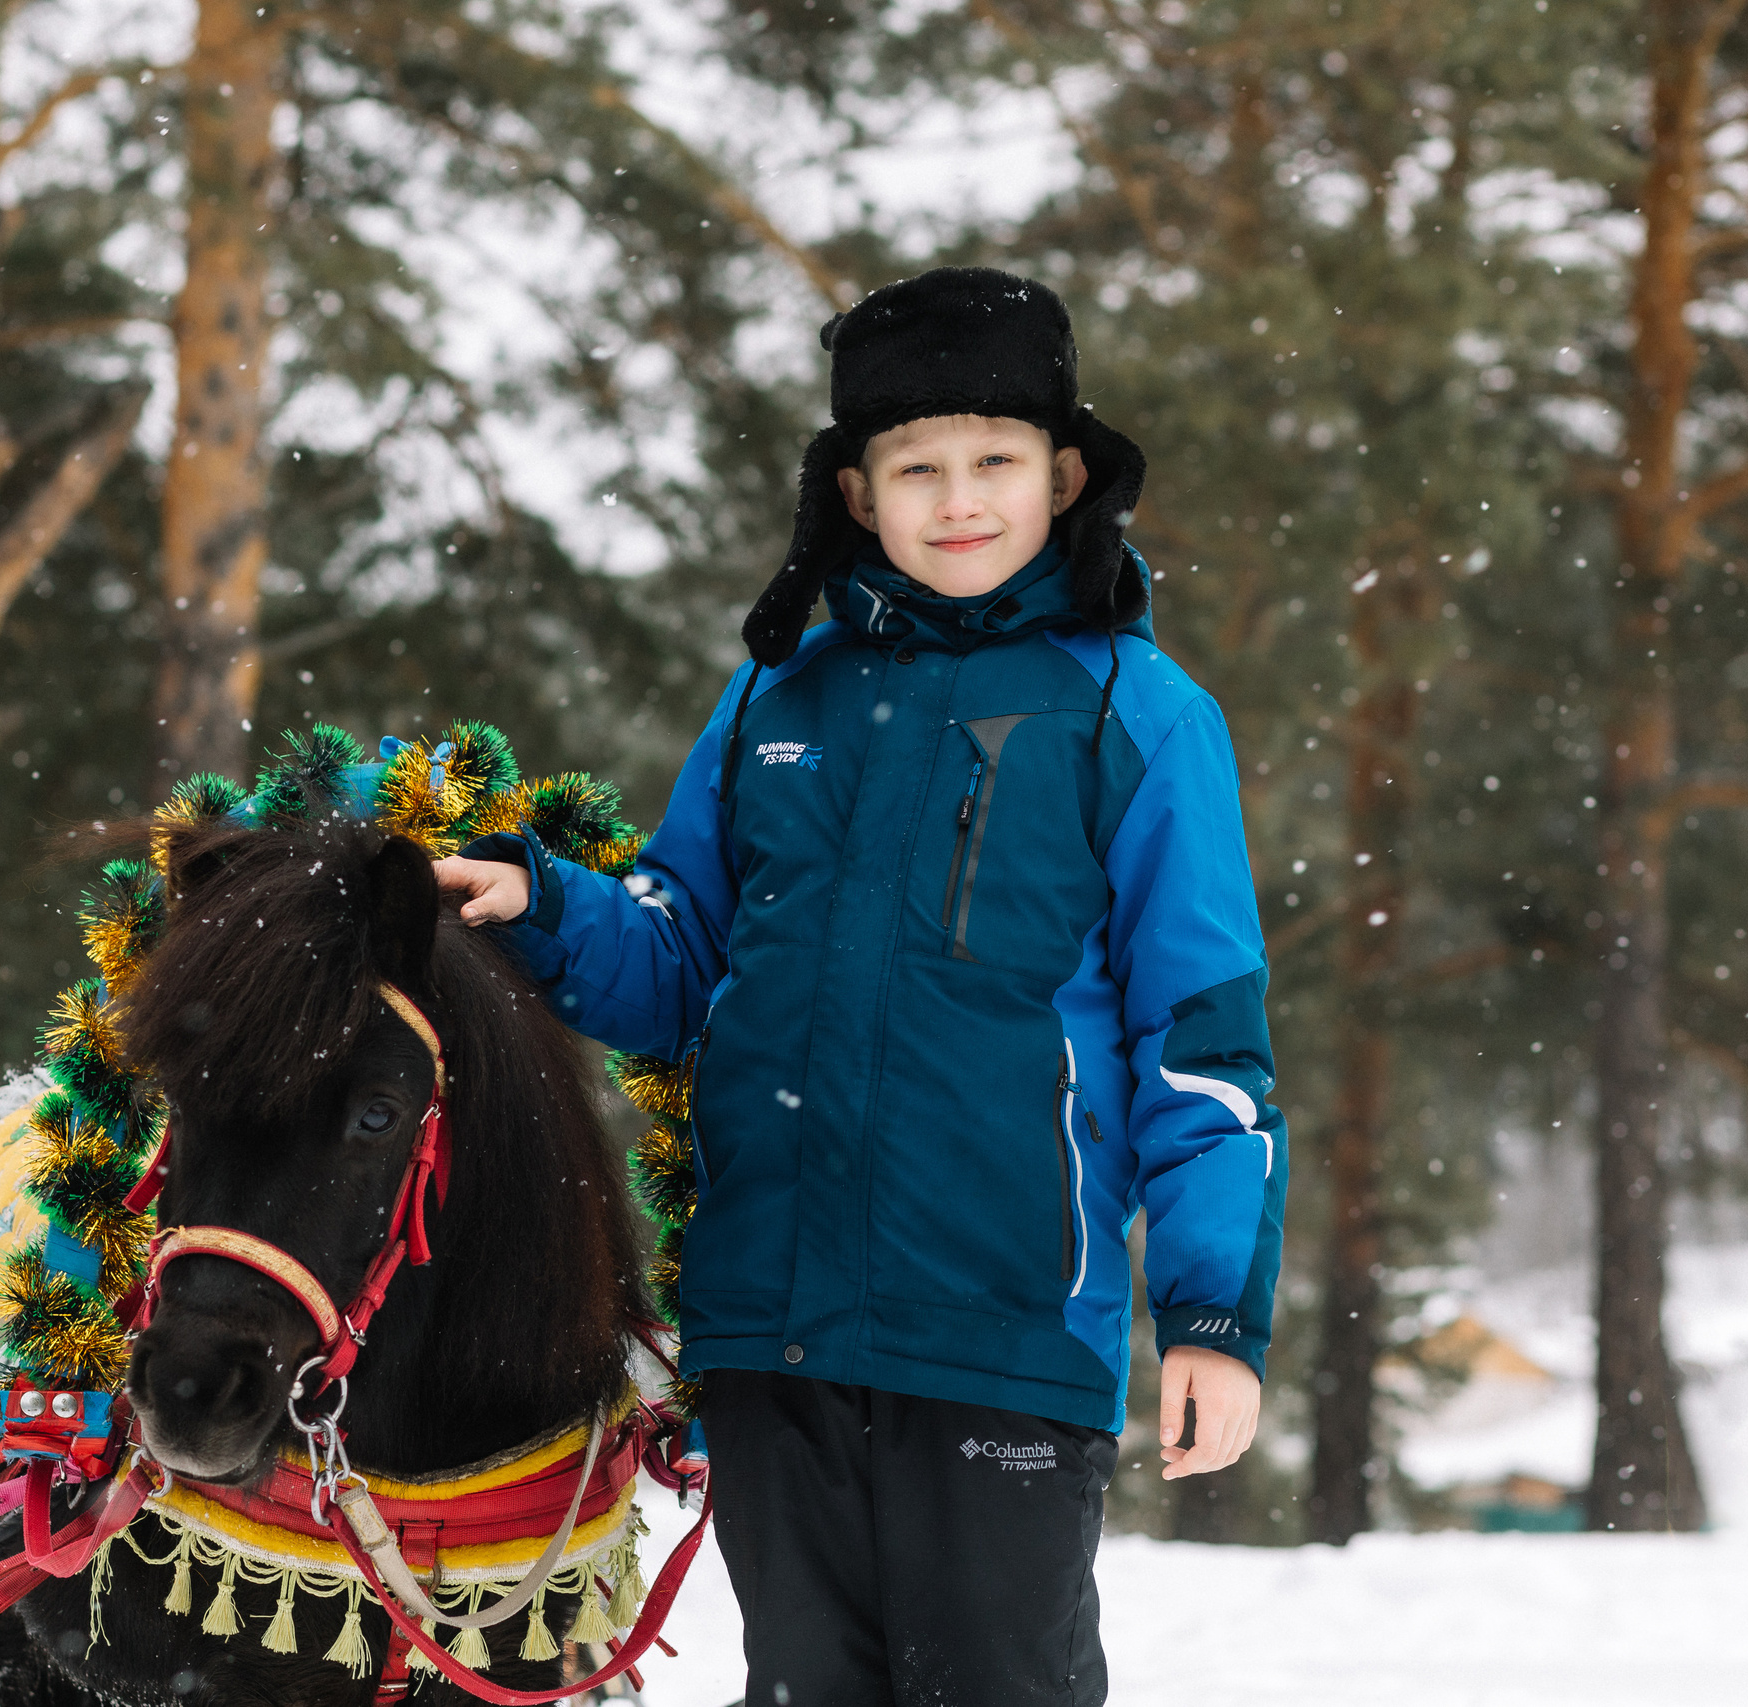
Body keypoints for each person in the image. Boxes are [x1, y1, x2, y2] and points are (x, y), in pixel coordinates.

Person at [436, 267, 1286, 1706]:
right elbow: (679, 959)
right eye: (918, 468)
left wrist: (1211, 1320)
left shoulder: (1136, 713)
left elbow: (1201, 1044)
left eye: (997, 462)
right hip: (776, 1327)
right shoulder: (780, 698)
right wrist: (540, 902)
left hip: (1003, 1323)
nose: (961, 500)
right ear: (857, 491)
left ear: (1064, 475)